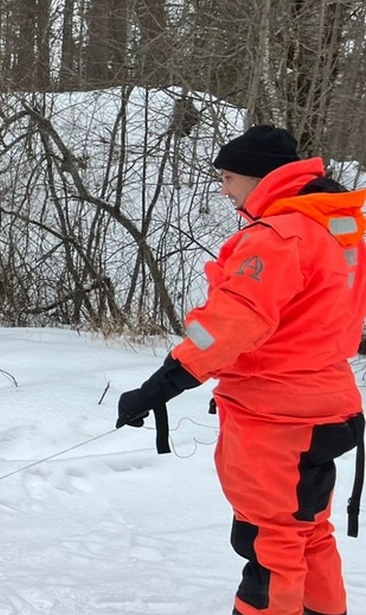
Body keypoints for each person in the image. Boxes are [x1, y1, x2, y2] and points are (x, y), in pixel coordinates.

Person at [115, 125, 366, 615]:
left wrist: (163, 383)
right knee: (306, 531)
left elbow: (230, 326)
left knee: (270, 540)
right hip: (326, 406)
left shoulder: (277, 237)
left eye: (229, 178)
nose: (225, 190)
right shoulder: (335, 226)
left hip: (275, 416)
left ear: (259, 177)